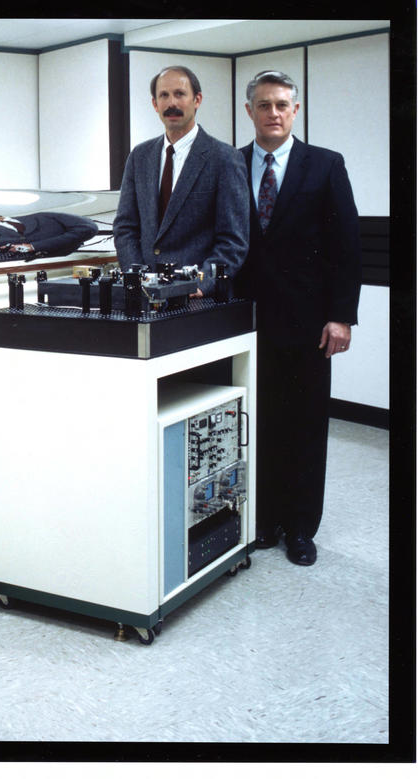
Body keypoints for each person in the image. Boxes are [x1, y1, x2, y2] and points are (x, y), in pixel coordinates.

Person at [234, 70, 361, 566]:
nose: (273, 113)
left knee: (305, 426)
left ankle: (301, 528)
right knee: (257, 420)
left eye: (282, 105)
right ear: (250, 111)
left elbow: (346, 248)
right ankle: (264, 520)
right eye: (264, 105)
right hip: (244, 321)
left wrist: (341, 317)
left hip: (310, 324)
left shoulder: (325, 165)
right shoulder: (231, 164)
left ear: (296, 110)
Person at [113, 65, 249, 295]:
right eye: (164, 95)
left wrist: (201, 284)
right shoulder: (139, 156)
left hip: (198, 299)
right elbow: (125, 227)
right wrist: (137, 277)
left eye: (180, 94)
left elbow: (233, 241)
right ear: (155, 104)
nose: (171, 103)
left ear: (197, 100)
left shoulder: (225, 158)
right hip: (145, 294)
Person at [0, 211, 99, 257]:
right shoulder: (88, 225)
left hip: (35, 248)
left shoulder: (50, 214)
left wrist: (32, 247)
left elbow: (87, 230)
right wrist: (32, 247)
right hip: (23, 244)